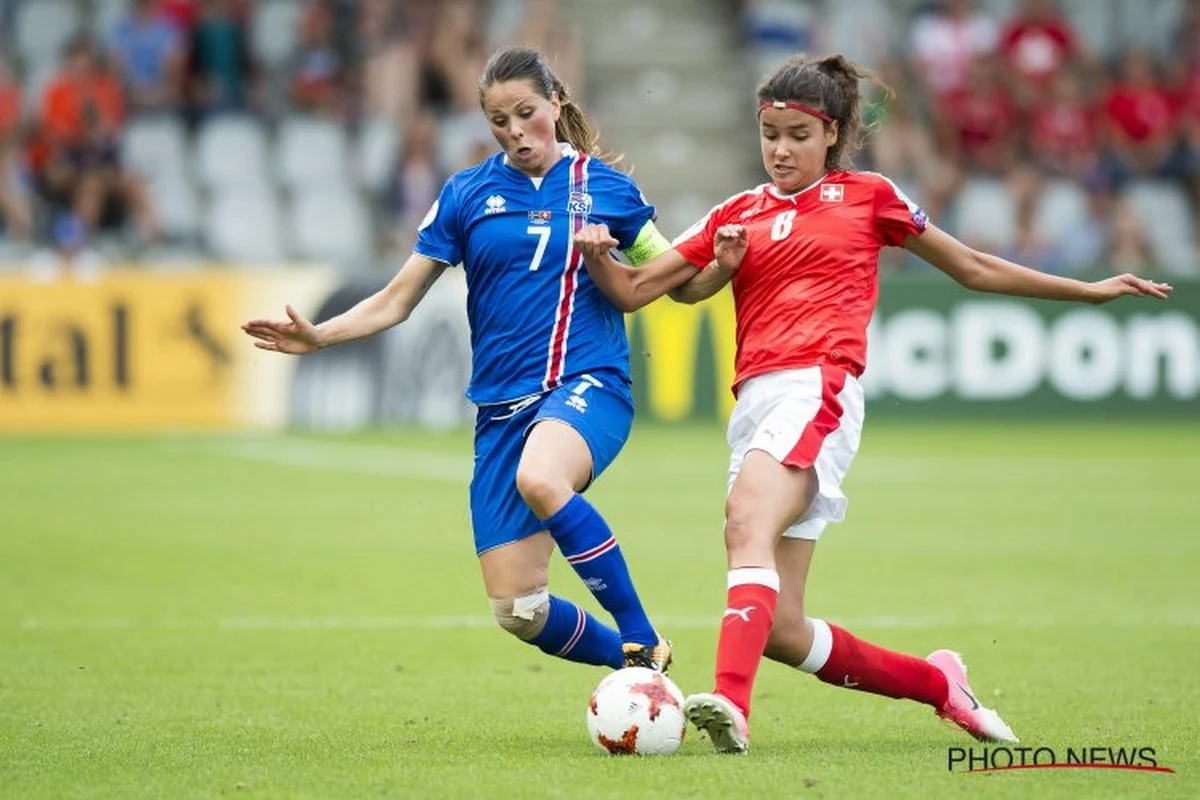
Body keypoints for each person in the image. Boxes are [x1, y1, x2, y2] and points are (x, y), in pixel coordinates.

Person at [572, 52, 1173, 753]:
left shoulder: (869, 196)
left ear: (830, 135)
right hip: (756, 405)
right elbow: (644, 292)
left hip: (817, 386)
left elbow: (972, 267)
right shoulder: (738, 212)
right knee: (783, 627)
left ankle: (731, 706)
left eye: (798, 134)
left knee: (745, 525)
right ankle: (940, 684)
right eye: (770, 134)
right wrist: (599, 256)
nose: (780, 149)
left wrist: (1088, 290)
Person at [242, 47, 677, 676]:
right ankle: (644, 667)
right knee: (519, 609)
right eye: (499, 120)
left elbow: (668, 270)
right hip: (501, 410)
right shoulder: (467, 194)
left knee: (542, 478)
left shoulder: (606, 189)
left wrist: (721, 257)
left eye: (527, 113)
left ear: (555, 103)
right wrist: (320, 337)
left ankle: (637, 632)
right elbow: (398, 299)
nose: (516, 131)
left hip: (586, 385)